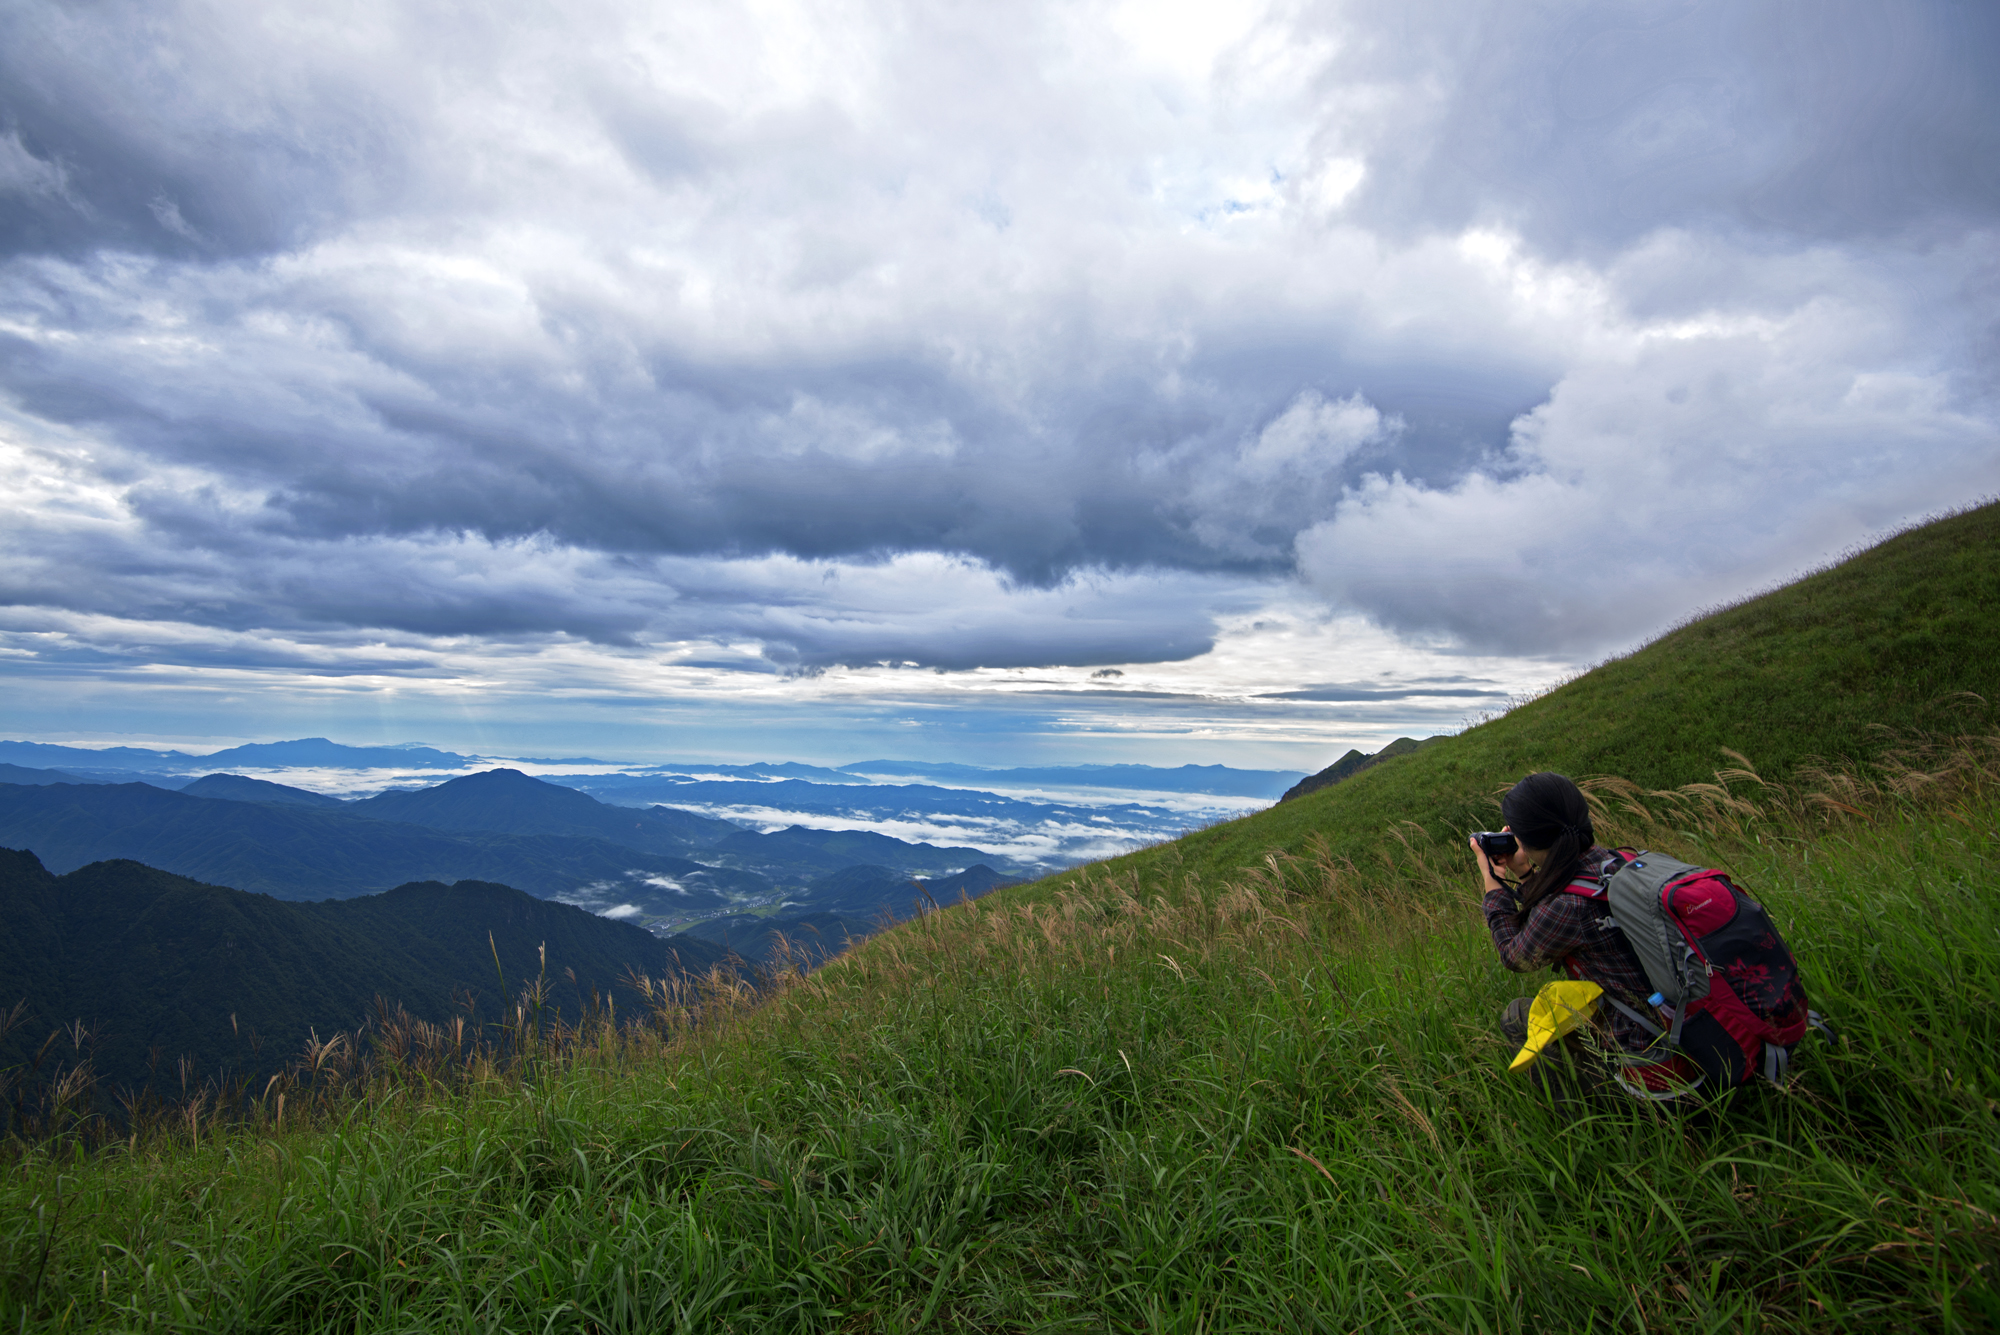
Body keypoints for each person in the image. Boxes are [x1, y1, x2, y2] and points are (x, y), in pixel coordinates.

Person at [1471, 771, 1658, 1091]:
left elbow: (1514, 956)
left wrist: (1493, 886)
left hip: (1653, 1063)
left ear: (1528, 838)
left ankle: (1606, 1123)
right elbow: (1557, 907)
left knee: (1518, 1016)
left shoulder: (1567, 905)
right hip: (1692, 1030)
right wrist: (1524, 871)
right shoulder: (1619, 862)